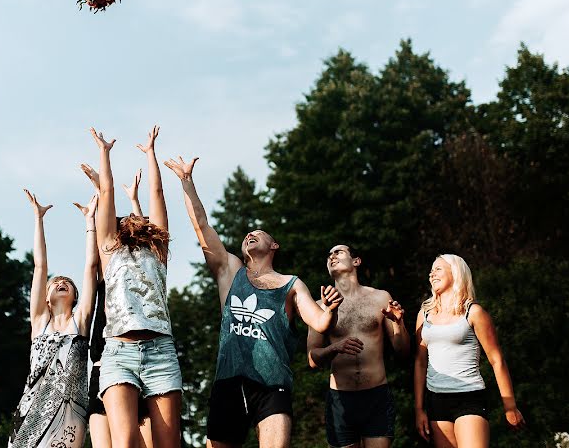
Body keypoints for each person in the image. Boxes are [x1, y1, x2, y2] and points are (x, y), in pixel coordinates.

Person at [164, 155, 343, 448]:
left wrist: (331, 309)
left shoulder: (291, 283)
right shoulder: (230, 270)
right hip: (229, 380)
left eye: (258, 233)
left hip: (273, 383)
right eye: (248, 234)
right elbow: (202, 227)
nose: (250, 234)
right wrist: (186, 181)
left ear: (274, 245)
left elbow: (320, 321)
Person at [91, 126, 181, 448]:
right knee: (125, 442)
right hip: (118, 353)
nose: (134, 217)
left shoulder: (158, 253)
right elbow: (107, 193)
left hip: (161, 352)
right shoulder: (109, 249)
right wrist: (104, 153)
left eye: (139, 218)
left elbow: (157, 196)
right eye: (126, 217)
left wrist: (151, 154)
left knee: (169, 444)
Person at [8, 189, 101, 448]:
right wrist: (38, 219)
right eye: (55, 283)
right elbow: (40, 266)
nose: (61, 282)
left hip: (70, 415)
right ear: (46, 298)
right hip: (31, 410)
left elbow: (91, 266)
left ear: (75, 296)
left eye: (67, 283)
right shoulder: (39, 322)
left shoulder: (81, 320)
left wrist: (90, 221)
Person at [414, 254, 525, 447]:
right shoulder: (424, 315)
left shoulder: (473, 312)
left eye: (438, 268)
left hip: (468, 397)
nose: (432, 273)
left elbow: (496, 359)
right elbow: (420, 362)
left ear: (456, 272)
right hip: (436, 400)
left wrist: (510, 406)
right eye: (431, 270)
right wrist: (419, 409)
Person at [307, 245, 410, 448]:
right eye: (329, 255)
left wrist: (398, 323)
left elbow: (403, 350)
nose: (332, 256)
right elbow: (312, 359)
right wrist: (334, 348)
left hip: (376, 395)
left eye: (338, 252)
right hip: (340, 398)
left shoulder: (380, 298)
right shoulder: (320, 306)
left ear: (356, 261)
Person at [81, 166, 154, 448]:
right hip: (106, 362)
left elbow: (145, 232)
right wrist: (101, 192)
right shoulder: (108, 266)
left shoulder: (147, 270)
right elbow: (105, 228)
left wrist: (135, 201)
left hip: (145, 358)